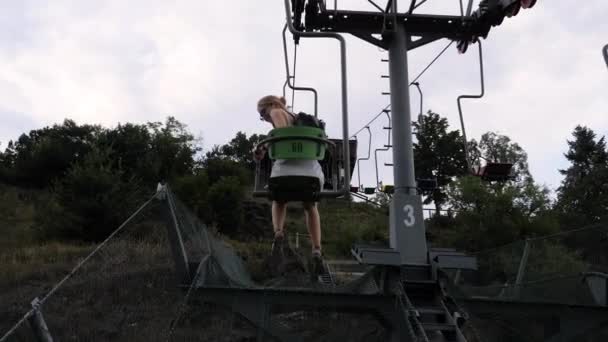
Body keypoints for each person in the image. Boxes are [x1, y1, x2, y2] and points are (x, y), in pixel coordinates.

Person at [254, 95, 326, 275]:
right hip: (311, 173)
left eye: (263, 113)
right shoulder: (300, 119)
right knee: (310, 206)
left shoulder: (277, 112)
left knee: (279, 200)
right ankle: (316, 250)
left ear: (270, 105)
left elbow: (284, 136)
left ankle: (278, 233)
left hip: (285, 172)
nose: (265, 118)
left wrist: (261, 148)